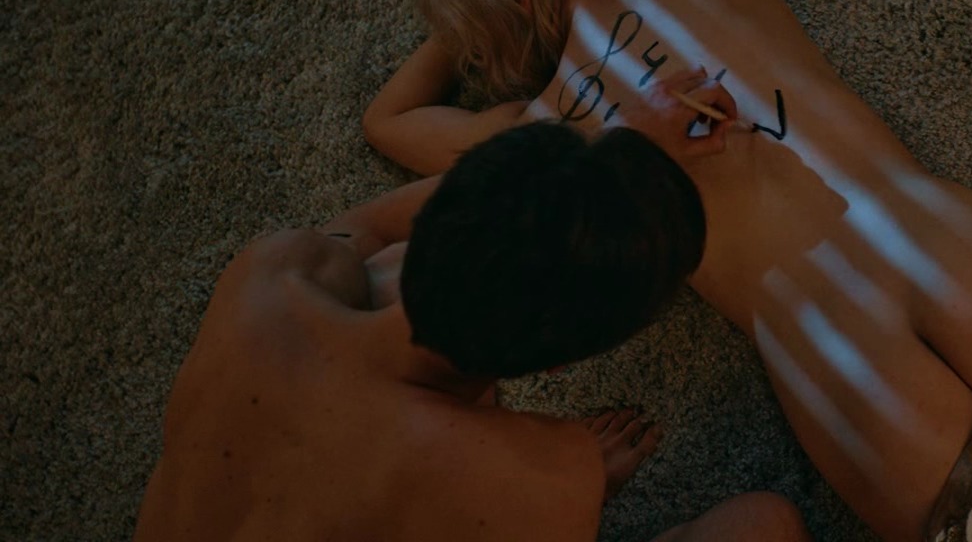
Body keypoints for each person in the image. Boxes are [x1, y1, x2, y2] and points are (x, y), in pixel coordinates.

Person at [244, 0, 972, 541]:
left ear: (496, 14)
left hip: (819, 337)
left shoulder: (544, 139)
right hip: (923, 229)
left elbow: (389, 120)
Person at [133, 90, 811, 541]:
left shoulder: (277, 273)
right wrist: (553, 490)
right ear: (559, 364)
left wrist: (613, 154)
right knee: (765, 527)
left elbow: (387, 225)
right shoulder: (542, 478)